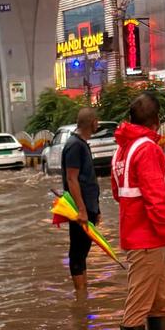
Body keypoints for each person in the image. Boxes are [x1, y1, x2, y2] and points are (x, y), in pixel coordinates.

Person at [111, 92, 165, 330]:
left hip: (141, 239)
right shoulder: (147, 149)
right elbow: (156, 203)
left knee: (160, 302)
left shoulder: (122, 149)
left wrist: (164, 178)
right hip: (147, 241)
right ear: (156, 120)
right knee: (138, 306)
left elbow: (121, 192)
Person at [62, 106, 101, 299]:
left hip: (89, 208)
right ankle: (80, 295)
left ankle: (84, 291)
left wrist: (97, 209)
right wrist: (82, 210)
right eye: (97, 121)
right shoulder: (74, 145)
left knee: (83, 252)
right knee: (77, 252)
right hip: (80, 211)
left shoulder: (81, 143)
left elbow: (88, 179)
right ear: (92, 122)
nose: (98, 124)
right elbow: (72, 179)